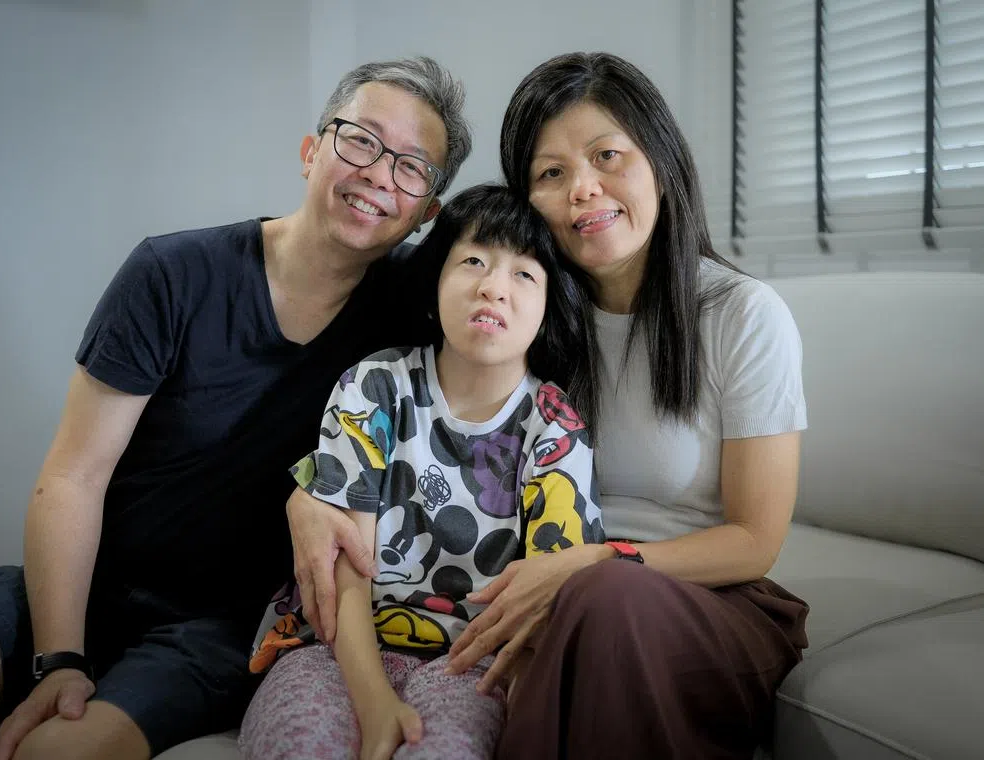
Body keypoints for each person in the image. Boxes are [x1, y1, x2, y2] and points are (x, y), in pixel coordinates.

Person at [0, 56, 471, 760]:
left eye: (412, 168)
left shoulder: (418, 314)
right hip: (77, 585)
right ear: (310, 150)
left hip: (216, 634)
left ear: (426, 213)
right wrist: (59, 659)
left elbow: (517, 283)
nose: (380, 175)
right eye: (361, 140)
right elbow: (73, 477)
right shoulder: (173, 272)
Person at [288, 51, 811, 760]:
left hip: (700, 600)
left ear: (660, 160)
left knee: (600, 602)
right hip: (554, 590)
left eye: (607, 156)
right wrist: (309, 492)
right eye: (552, 173)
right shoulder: (528, 311)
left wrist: (595, 562)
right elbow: (382, 390)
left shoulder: (742, 315)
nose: (584, 189)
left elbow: (755, 540)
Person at [238, 184, 605, 760]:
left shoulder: (555, 428)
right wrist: (374, 703)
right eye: (473, 261)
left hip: (470, 662)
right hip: (333, 646)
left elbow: (543, 597)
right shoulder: (375, 387)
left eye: (523, 274)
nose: (493, 287)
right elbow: (346, 563)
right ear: (435, 285)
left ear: (549, 308)